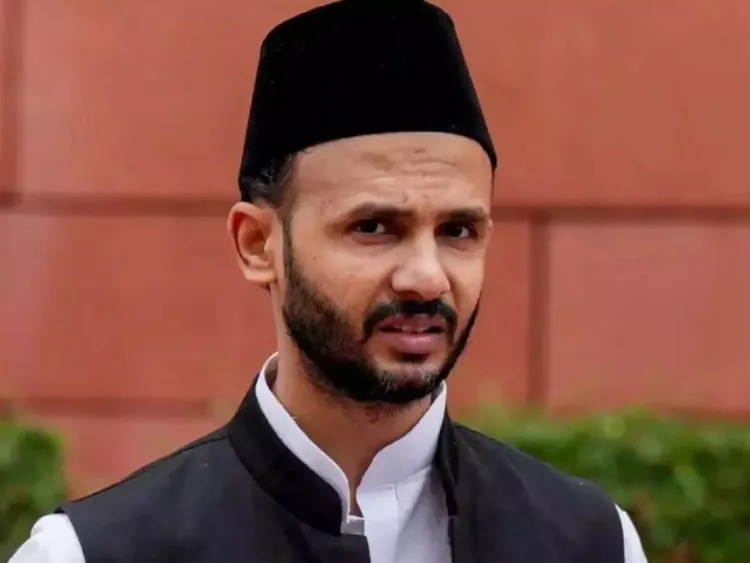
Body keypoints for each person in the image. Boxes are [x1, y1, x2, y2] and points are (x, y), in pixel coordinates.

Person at [9, 0, 648, 562]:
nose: (427, 278)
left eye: (458, 230)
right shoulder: (92, 553)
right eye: (373, 227)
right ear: (258, 244)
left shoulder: (590, 542)